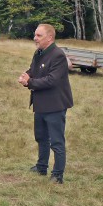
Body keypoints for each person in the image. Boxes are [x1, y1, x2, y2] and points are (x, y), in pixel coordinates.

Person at [18, 24, 73, 184]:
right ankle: (41, 167)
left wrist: (30, 82)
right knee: (41, 137)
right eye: (35, 35)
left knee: (56, 141)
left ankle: (57, 175)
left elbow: (51, 80)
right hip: (41, 103)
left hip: (55, 105)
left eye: (39, 35)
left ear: (49, 37)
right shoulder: (39, 53)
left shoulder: (58, 55)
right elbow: (33, 70)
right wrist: (25, 76)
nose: (35, 38)